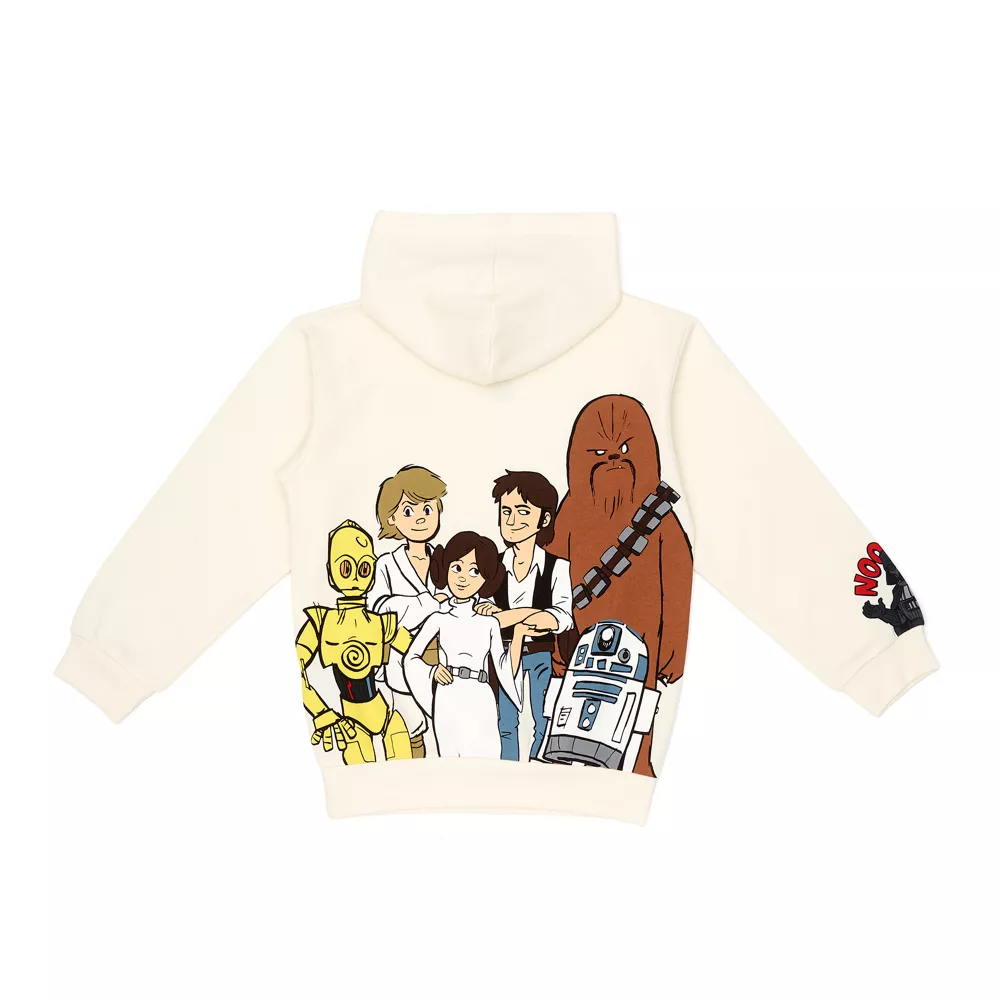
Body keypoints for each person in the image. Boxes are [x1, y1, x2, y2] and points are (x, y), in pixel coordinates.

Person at [473, 471, 574, 761]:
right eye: (506, 511)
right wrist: (531, 616)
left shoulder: (557, 567)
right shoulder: (492, 566)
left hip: (541, 655)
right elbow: (485, 616)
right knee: (505, 723)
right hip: (503, 655)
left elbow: (562, 617)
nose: (512, 520)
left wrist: (509, 616)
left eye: (523, 511)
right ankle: (508, 771)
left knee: (544, 721)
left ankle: (539, 769)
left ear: (544, 519)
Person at [404, 532, 521, 759]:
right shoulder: (438, 618)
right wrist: (432, 670)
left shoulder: (489, 623)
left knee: (486, 762)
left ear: (486, 578)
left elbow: (503, 668)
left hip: (481, 696)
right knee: (450, 763)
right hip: (448, 695)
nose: (463, 578)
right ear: (446, 569)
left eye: (474, 571)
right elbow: (411, 657)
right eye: (456, 568)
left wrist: (519, 634)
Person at [367, 465, 449, 758]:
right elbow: (380, 611)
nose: (420, 519)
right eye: (408, 511)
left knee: (446, 730)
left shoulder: (447, 560)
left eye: (427, 509)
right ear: (392, 518)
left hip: (444, 661)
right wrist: (429, 603)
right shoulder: (386, 565)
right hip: (400, 664)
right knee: (411, 733)